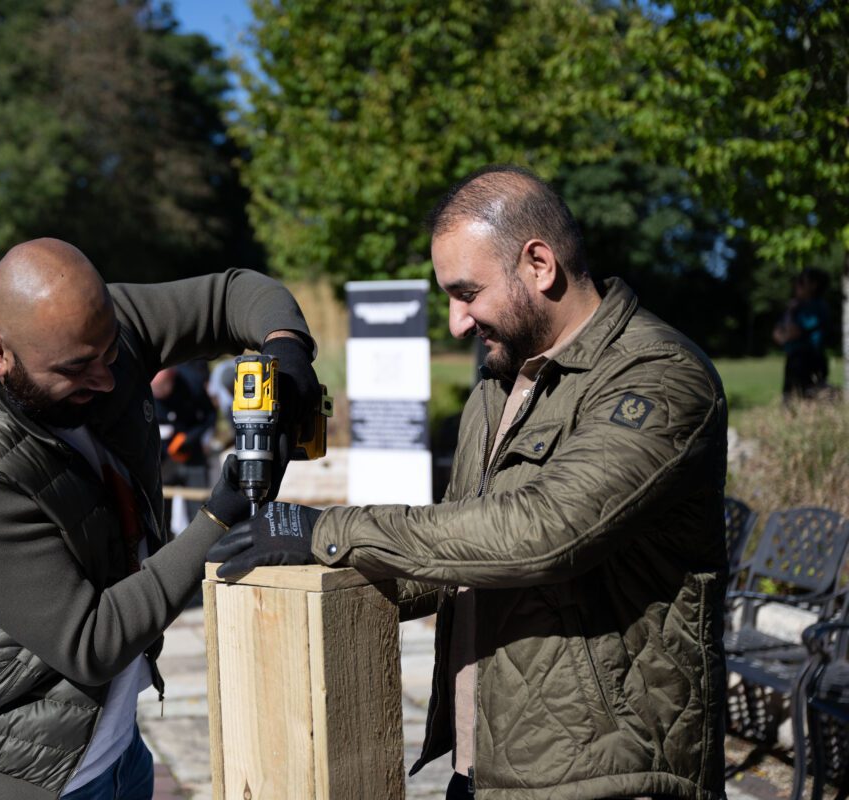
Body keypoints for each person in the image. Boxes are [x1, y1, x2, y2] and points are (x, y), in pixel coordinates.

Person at [209, 166, 729, 800]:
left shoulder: (659, 377)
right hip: (481, 767)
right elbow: (461, 551)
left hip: (607, 775)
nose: (456, 322)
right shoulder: (498, 383)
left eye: (467, 292)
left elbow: (544, 532)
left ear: (539, 264)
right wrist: (313, 572)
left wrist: (328, 528)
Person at [0, 237, 319, 800]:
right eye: (76, 368)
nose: (105, 378)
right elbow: (89, 642)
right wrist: (219, 518)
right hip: (17, 773)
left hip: (115, 749)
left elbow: (232, 294)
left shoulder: (93, 332)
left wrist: (287, 351)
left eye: (110, 355)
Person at [151, 361, 217, 536]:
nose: (159, 394)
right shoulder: (144, 391)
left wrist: (189, 438)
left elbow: (210, 416)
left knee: (198, 510)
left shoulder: (192, 382)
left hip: (191, 454)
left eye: (162, 388)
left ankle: (198, 548)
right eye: (155, 390)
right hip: (162, 460)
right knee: (160, 511)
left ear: (172, 378)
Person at [773, 266, 831, 401]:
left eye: (801, 282)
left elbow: (793, 332)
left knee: (807, 400)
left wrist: (785, 335)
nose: (797, 286)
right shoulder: (796, 307)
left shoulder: (816, 307)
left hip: (809, 359)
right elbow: (776, 333)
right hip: (794, 359)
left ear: (813, 285)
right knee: (789, 399)